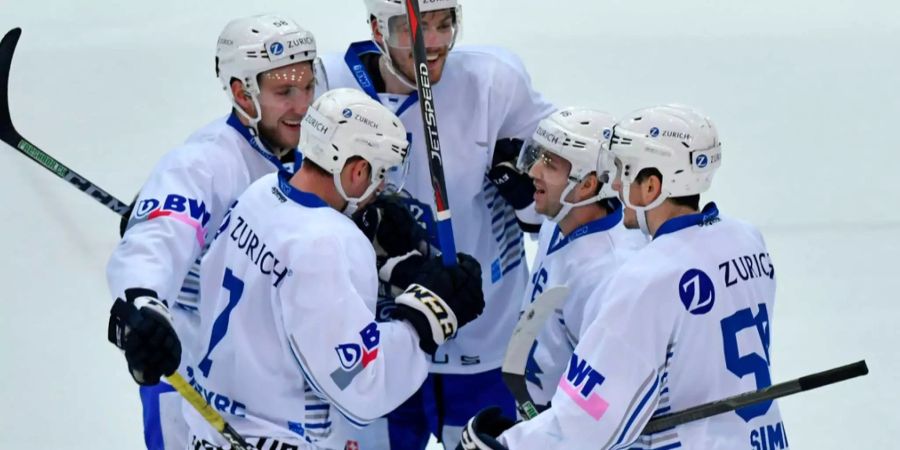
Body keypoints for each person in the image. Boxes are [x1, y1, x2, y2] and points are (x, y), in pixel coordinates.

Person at [460, 105, 789, 450]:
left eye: (623, 172)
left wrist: (510, 445)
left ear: (652, 186)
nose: (615, 185)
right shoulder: (747, 239)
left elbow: (593, 415)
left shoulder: (646, 276)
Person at [183, 88, 485, 449]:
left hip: (208, 429)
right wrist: (425, 318)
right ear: (357, 170)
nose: (384, 186)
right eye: (382, 172)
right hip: (275, 435)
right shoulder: (329, 241)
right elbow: (359, 384)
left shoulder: (259, 193)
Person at [317, 1, 555, 447]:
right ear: (375, 29)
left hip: (486, 336)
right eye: (414, 28)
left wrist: (526, 197)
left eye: (443, 24)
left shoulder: (493, 81)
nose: (434, 42)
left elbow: (563, 188)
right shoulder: (330, 87)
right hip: (383, 336)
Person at [106, 14, 318, 449]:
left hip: (268, 392)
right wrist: (142, 299)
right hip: (189, 385)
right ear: (242, 93)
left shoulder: (309, 149)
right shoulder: (203, 163)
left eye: (308, 87)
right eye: (284, 93)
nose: (303, 105)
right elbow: (157, 239)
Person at [514, 108, 645, 409]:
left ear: (587, 184)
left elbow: (608, 398)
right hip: (533, 414)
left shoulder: (611, 272)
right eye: (539, 156)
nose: (533, 171)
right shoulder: (557, 220)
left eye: (550, 164)